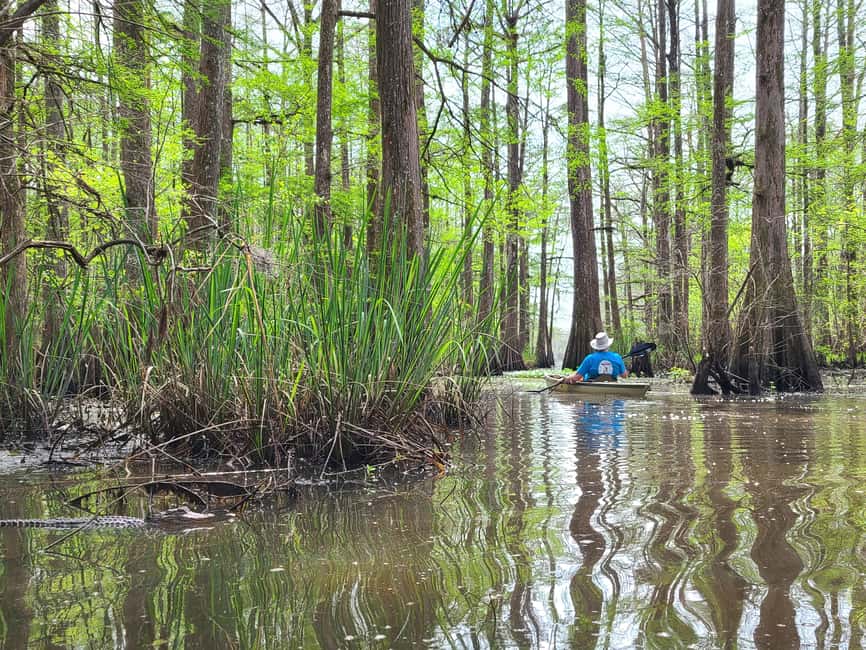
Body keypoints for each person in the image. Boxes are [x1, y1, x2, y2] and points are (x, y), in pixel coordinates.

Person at [563, 331, 628, 384]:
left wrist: (567, 379)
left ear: (596, 347)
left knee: (582, 377)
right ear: (608, 345)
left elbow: (576, 378)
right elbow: (624, 375)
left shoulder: (590, 358)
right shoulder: (617, 357)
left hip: (592, 386)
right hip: (613, 384)